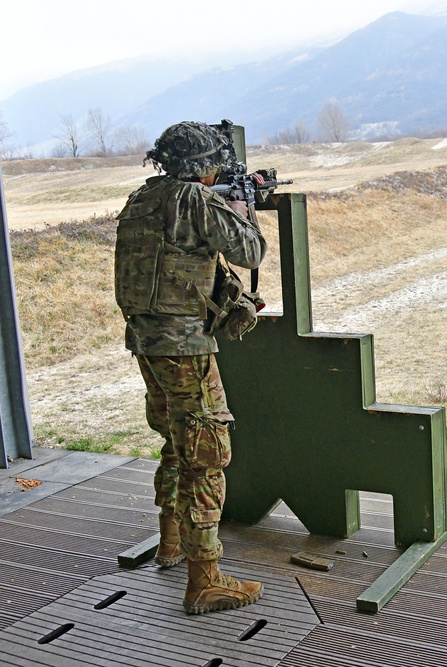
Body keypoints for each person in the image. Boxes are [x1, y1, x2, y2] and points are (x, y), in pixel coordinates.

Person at [114, 121, 267, 614]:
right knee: (206, 452)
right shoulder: (195, 201)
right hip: (183, 345)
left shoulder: (142, 198)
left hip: (146, 341)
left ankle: (171, 542)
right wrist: (242, 212)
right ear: (204, 164)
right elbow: (250, 251)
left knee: (177, 442)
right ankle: (205, 581)